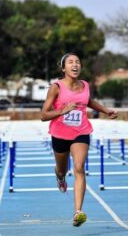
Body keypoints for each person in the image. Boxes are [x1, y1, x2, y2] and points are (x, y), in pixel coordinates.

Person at [41, 53, 118, 227]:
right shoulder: (56, 87)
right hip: (60, 133)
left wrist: (106, 110)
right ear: (63, 68)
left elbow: (88, 101)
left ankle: (78, 212)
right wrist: (62, 111)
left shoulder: (85, 85)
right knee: (62, 170)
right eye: (70, 62)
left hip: (80, 132)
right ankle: (60, 177)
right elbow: (44, 115)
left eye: (77, 62)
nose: (75, 64)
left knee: (79, 168)